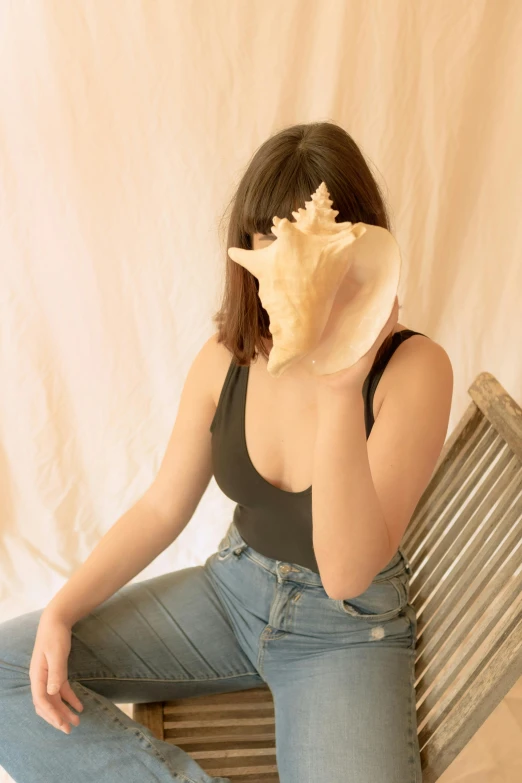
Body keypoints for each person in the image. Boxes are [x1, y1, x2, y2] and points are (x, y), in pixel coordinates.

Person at [0, 121, 453, 783]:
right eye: (265, 234)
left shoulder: (414, 369)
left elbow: (348, 572)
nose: (281, 255)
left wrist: (340, 385)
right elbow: (161, 506)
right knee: (10, 668)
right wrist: (63, 609)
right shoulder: (228, 358)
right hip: (232, 590)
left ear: (354, 245)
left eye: (301, 237)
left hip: (345, 631)